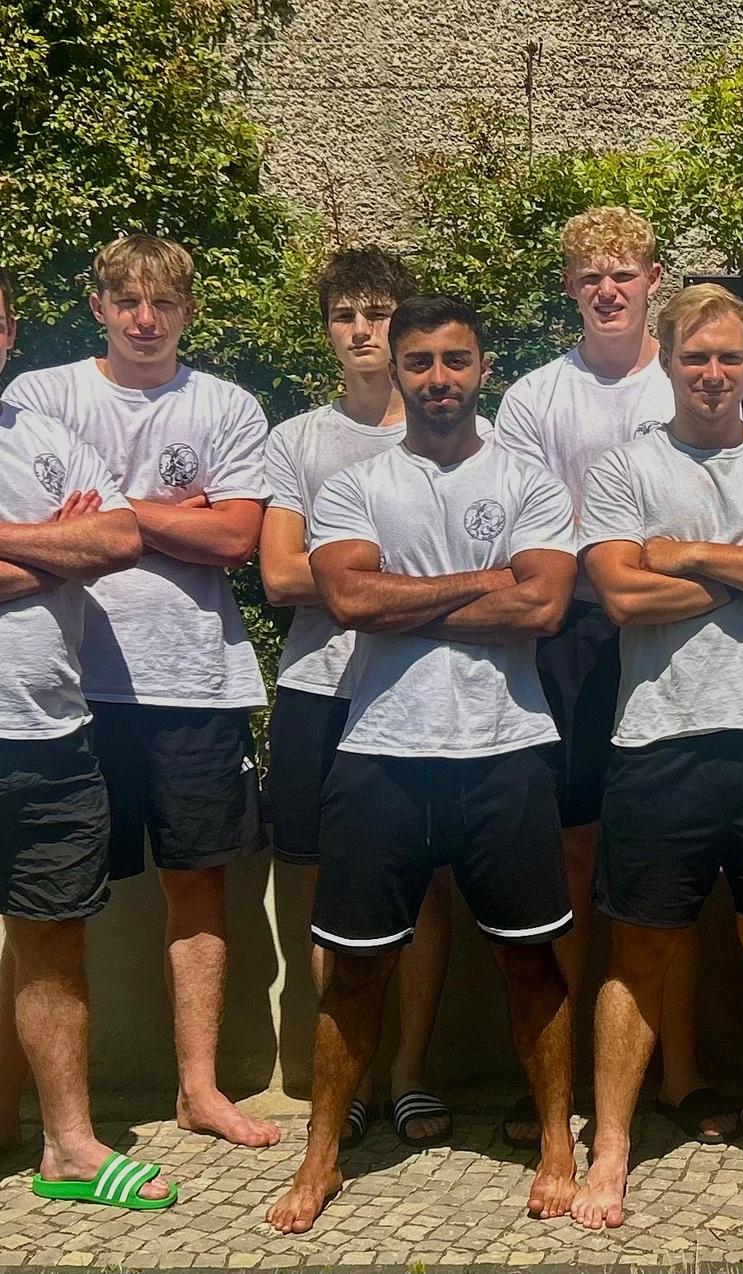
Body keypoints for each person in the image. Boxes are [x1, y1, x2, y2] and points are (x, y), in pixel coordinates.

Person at [266, 295, 579, 1233]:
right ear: (396, 374)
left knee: (532, 964)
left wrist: (409, 600)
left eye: (455, 361)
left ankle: (560, 1140)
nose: (438, 379)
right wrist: (485, 579)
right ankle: (321, 1158)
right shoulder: (356, 484)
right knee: (352, 971)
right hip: (381, 754)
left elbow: (543, 610)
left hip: (506, 750)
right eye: (420, 364)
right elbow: (348, 599)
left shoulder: (529, 480)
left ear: (483, 367)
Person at [570, 285, 743, 1227]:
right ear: (667, 360)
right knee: (637, 951)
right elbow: (621, 599)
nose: (713, 374)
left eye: (729, 358)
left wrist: (682, 553)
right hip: (657, 739)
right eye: (695, 358)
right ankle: (609, 1150)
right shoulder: (623, 468)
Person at [1, 234, 277, 1149]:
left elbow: (238, 538)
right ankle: (18, 1106)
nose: (145, 320)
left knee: (196, 884)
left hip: (193, 676)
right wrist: (169, 519)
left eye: (164, 303)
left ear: (190, 310)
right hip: (72, 689)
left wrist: (113, 519)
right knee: (40, 903)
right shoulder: (38, 395)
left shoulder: (227, 404)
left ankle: (198, 1090)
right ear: (99, 307)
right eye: (127, 301)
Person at [493, 208, 726, 1145]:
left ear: (652, 279)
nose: (607, 289)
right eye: (589, 274)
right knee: (575, 857)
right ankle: (565, 1075)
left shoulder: (683, 381)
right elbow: (525, 524)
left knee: (670, 854)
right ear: (570, 287)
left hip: (680, 635)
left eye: (623, 272)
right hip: (575, 643)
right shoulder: (535, 399)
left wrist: (660, 570)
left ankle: (680, 1073)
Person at [259, 248, 453, 1150]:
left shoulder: (458, 436)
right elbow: (278, 576)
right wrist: (401, 580)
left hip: (419, 691)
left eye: (379, 313)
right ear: (328, 328)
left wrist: (362, 578)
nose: (363, 330)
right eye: (345, 314)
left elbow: (505, 579)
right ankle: (353, 1078)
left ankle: (408, 1073)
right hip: (316, 690)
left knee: (424, 894)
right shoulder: (300, 440)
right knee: (329, 896)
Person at [0, 268, 171, 1208]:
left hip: (48, 732)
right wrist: (50, 552)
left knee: (52, 943)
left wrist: (19, 544)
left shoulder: (47, 438)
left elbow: (117, 543)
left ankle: (67, 1146)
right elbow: (80, 553)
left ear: (10, 331)